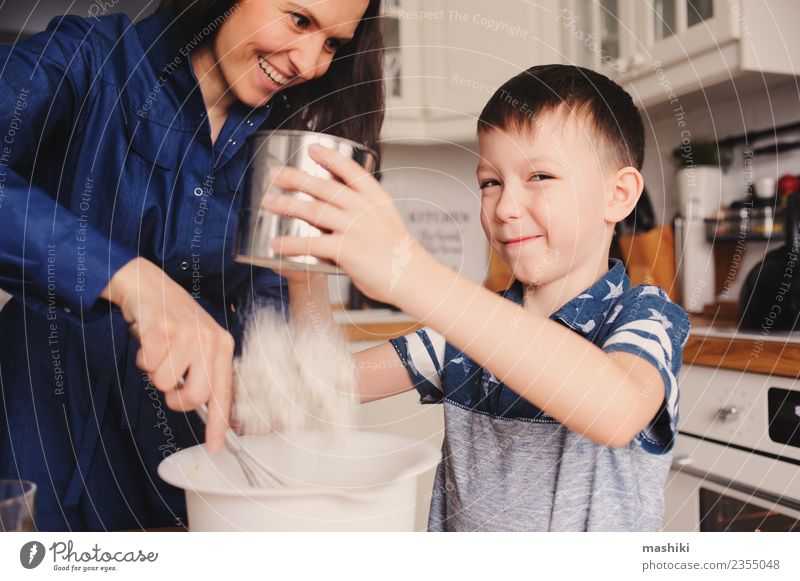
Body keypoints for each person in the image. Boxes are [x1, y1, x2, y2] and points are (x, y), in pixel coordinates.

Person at [0, 0, 384, 531]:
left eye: (332, 44)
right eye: (299, 20)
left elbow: (265, 298)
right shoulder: (88, 62)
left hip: (185, 473)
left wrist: (272, 377)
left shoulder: (274, 146)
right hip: (40, 440)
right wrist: (131, 279)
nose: (311, 63)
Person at [264, 64, 692, 531]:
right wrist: (303, 272)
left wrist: (411, 273)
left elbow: (616, 409)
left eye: (541, 176)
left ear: (619, 195)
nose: (505, 207)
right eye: (491, 182)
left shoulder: (644, 317)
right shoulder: (466, 336)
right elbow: (326, 385)